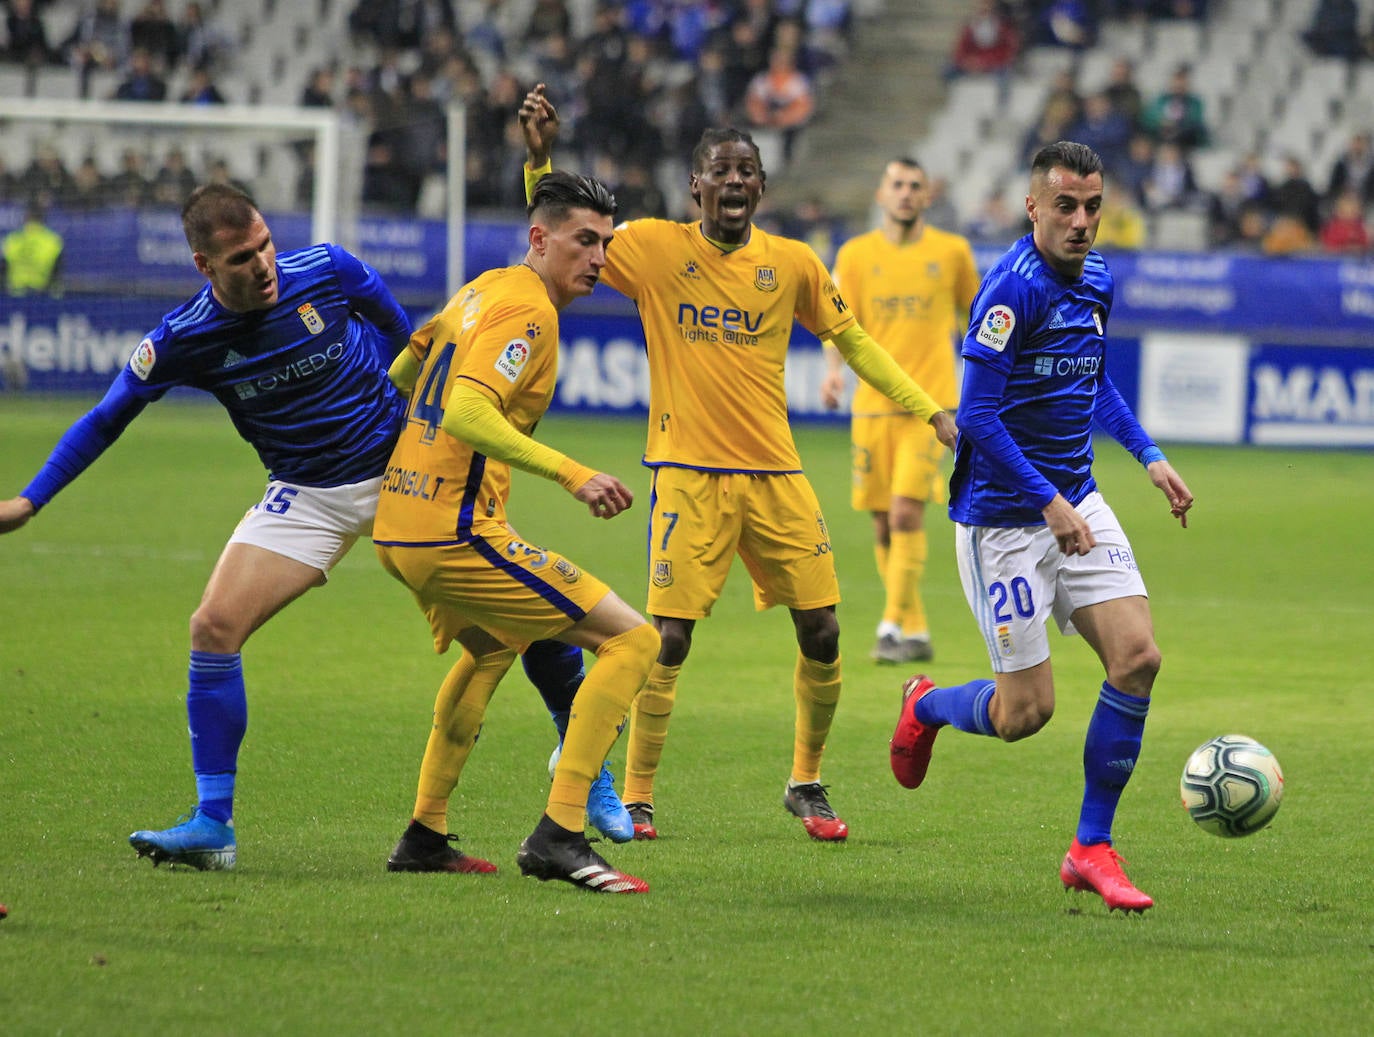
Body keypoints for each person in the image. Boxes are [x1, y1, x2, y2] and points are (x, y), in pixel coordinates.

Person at [0, 183, 627, 870]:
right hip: (305, 494)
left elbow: (408, 339)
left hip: (402, 474)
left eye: (266, 243)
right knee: (213, 626)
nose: (264, 263)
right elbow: (104, 418)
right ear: (204, 266)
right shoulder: (183, 338)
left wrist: (433, 438)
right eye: (242, 258)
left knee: (516, 617)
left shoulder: (329, 268)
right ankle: (214, 822)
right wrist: (31, 501)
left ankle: (585, 773)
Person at [520, 85, 957, 843]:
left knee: (822, 631)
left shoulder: (791, 264)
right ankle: (641, 793)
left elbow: (854, 344)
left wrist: (930, 409)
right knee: (669, 638)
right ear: (697, 186)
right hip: (688, 474)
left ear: (761, 185)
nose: (734, 182)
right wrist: (539, 160)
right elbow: (562, 239)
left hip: (776, 475)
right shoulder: (654, 248)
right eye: (720, 171)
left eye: (746, 171)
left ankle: (807, 780)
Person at [888, 141, 1194, 913]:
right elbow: (978, 417)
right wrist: (1047, 503)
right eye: (1066, 206)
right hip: (1005, 519)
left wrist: (1149, 456)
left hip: (1077, 498)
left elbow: (1093, 382)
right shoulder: (1008, 292)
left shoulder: (1096, 279)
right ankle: (924, 703)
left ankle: (1091, 845)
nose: (1083, 221)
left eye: (1093, 206)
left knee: (1138, 657)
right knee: (1024, 713)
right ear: (1033, 208)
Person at [374, 170, 656, 894]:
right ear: (541, 238)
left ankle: (424, 833)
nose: (598, 257)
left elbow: (406, 370)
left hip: (401, 521)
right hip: (452, 530)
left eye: (606, 243)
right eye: (583, 241)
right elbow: (467, 411)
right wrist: (572, 473)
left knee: (493, 648)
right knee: (633, 639)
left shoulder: (480, 289)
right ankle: (560, 832)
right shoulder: (529, 313)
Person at [819, 158, 978, 665]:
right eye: (898, 185)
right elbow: (840, 323)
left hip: (932, 408)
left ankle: (889, 627)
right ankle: (916, 629)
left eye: (915, 186)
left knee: (908, 512)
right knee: (884, 524)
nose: (906, 194)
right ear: (881, 194)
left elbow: (976, 321)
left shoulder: (952, 253)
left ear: (927, 197)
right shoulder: (857, 254)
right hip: (871, 408)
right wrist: (832, 371)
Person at [2, 201, 64, 295]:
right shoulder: (53, 240)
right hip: (41, 295)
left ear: (25, 217)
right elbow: (56, 273)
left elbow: (3, 268)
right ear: (43, 219)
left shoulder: (12, 239)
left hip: (14, 294)